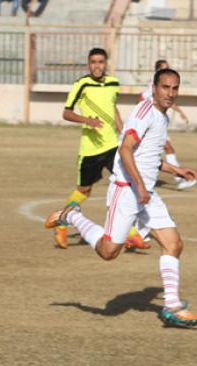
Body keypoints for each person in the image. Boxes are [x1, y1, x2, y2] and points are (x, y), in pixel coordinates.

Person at [45, 68, 197, 328]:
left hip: (145, 193)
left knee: (173, 244)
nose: (171, 93)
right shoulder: (145, 112)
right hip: (127, 190)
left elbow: (147, 155)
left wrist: (174, 169)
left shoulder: (163, 117)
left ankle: (172, 307)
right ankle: (72, 215)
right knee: (109, 252)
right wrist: (140, 186)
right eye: (165, 87)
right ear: (153, 88)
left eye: (175, 88)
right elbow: (126, 149)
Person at [54, 47, 148, 251]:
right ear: (88, 64)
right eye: (93, 62)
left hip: (112, 146)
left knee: (126, 185)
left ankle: (131, 235)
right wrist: (86, 120)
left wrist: (123, 133)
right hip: (90, 149)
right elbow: (66, 113)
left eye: (101, 62)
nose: (97, 66)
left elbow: (112, 108)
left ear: (106, 64)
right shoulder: (82, 84)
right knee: (84, 191)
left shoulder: (114, 83)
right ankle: (61, 222)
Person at [139, 59, 196, 191]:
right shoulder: (150, 88)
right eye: (165, 68)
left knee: (165, 150)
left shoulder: (163, 90)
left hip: (159, 125)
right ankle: (179, 179)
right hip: (152, 127)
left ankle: (178, 178)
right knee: (167, 149)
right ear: (158, 71)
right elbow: (141, 100)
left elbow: (169, 102)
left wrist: (180, 112)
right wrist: (149, 114)